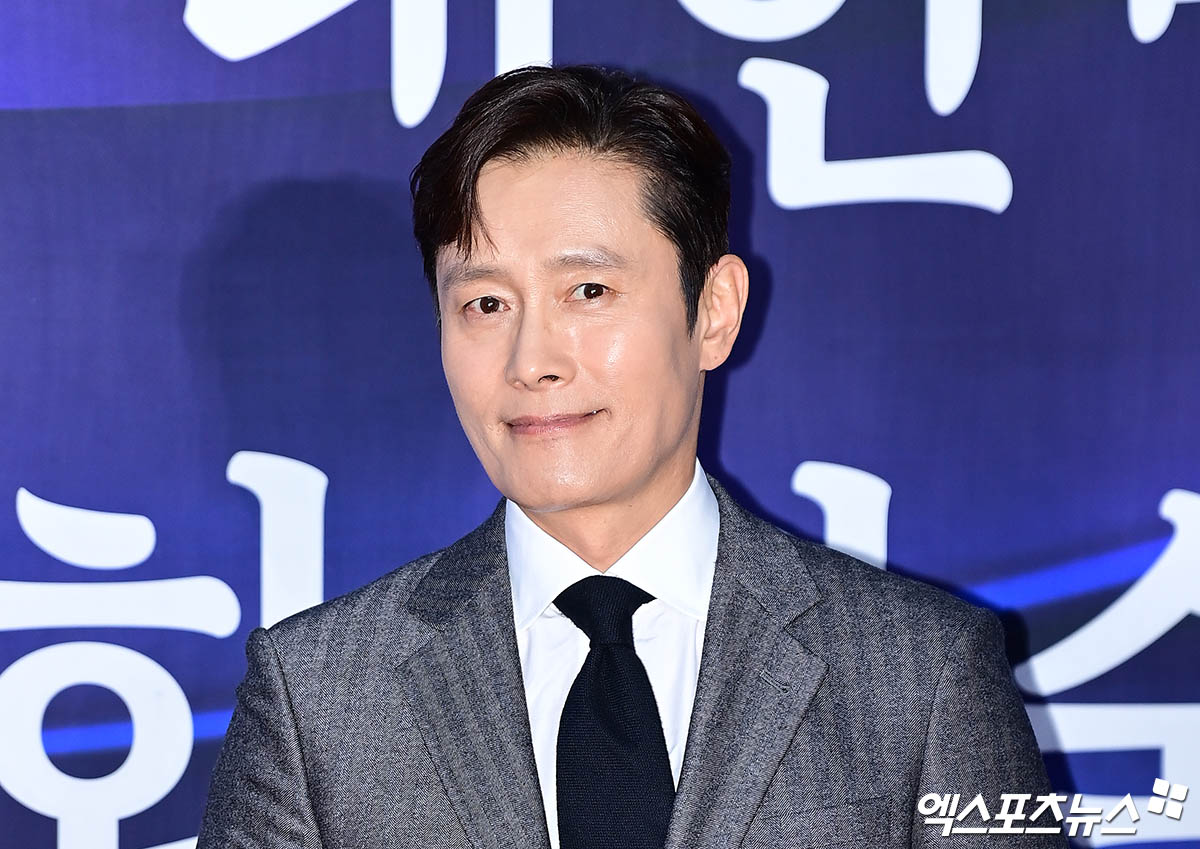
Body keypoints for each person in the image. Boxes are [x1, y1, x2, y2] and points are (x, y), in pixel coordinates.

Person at [197, 65, 1064, 848]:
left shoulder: (922, 672)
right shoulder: (317, 697)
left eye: (588, 290)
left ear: (714, 312)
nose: (532, 360)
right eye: (486, 304)